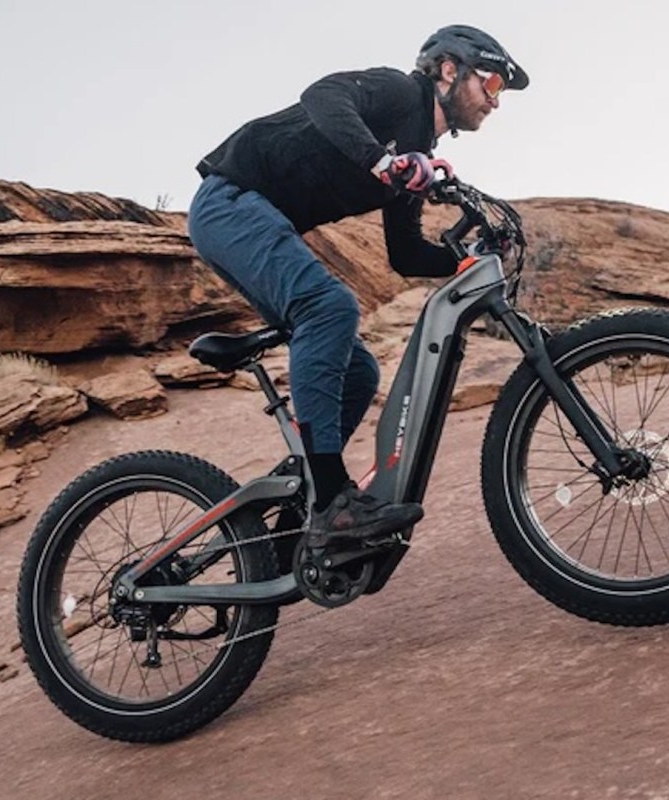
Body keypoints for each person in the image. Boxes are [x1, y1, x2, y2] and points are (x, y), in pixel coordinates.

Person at [187, 25, 529, 548]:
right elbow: (323, 96)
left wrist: (468, 256)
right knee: (330, 308)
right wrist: (383, 161)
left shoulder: (415, 155)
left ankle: (297, 509)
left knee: (360, 372)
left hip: (249, 219)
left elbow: (404, 254)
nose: (495, 101)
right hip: (229, 202)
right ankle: (331, 501)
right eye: (493, 83)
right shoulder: (400, 91)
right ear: (449, 69)